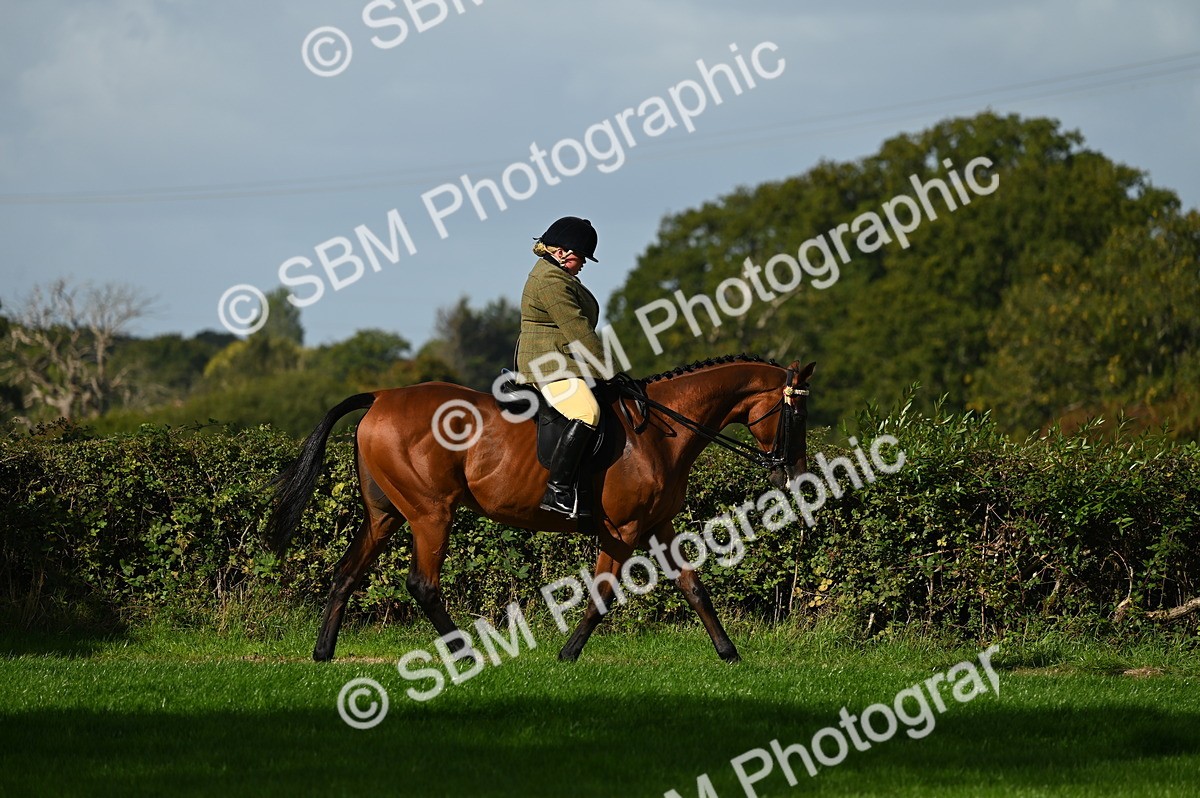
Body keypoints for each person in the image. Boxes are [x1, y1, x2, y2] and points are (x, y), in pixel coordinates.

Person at [515, 216, 608, 518]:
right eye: (582, 257)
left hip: (562, 362)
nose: (583, 264)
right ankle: (558, 490)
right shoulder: (550, 281)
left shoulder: (557, 276)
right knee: (587, 413)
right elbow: (578, 330)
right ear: (564, 253)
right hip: (548, 366)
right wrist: (610, 371)